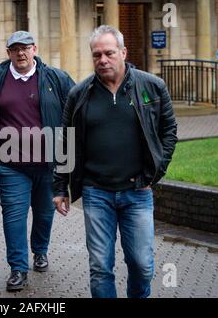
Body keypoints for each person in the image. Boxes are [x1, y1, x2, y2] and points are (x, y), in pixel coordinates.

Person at [53, 25, 178, 298]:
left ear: (123, 52)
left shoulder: (152, 87)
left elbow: (170, 131)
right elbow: (65, 141)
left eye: (109, 53)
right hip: (96, 193)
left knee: (142, 265)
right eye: (97, 55)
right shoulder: (79, 94)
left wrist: (155, 172)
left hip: (138, 193)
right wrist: (60, 187)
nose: (103, 60)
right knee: (100, 266)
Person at [0, 31, 75, 291]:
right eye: (15, 49)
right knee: (14, 216)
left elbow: (75, 113)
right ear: (8, 53)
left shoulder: (56, 78)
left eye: (25, 48)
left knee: (43, 213)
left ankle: (40, 250)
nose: (21, 53)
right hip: (10, 165)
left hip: (48, 163)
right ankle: (18, 268)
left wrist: (69, 155)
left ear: (35, 49)